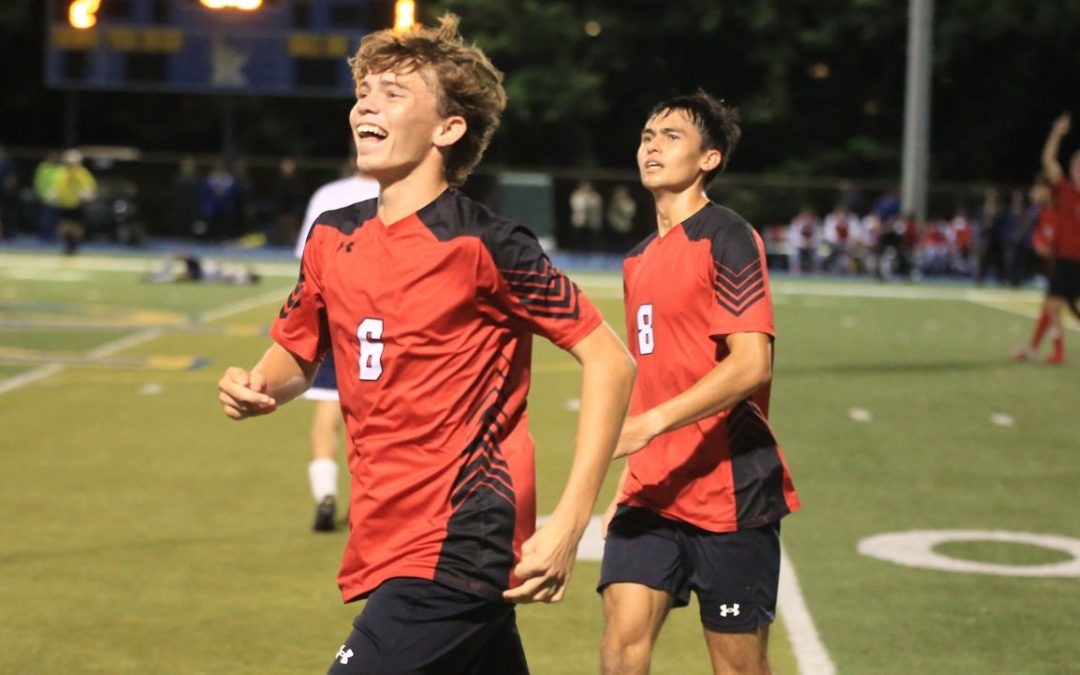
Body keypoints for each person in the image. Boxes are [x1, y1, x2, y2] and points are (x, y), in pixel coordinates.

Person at [216, 14, 634, 674]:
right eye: (364, 92)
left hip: (463, 533)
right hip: (386, 530)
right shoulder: (331, 235)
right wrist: (260, 383)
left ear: (448, 128)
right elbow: (299, 349)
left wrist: (570, 520)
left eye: (393, 93)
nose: (367, 106)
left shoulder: (487, 244)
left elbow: (610, 358)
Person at [598, 91, 800, 675]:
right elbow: (653, 378)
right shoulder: (637, 259)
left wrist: (649, 426)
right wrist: (626, 483)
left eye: (671, 136)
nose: (651, 146)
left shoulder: (728, 237)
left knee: (736, 666)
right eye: (646, 136)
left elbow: (749, 365)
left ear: (708, 159)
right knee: (620, 647)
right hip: (652, 490)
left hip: (729, 490)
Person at [294, 162, 379, 532]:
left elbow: (307, 260)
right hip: (381, 320)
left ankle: (326, 495)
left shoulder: (327, 195)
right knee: (375, 422)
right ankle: (368, 506)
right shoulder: (398, 193)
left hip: (335, 315)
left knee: (325, 418)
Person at [1014, 113, 1080, 364]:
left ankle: (1041, 349)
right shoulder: (1065, 191)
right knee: (1052, 306)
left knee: (1056, 306)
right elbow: (1048, 159)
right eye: (1077, 166)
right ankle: (1056, 351)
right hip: (1065, 261)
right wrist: (1057, 133)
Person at [48, 149, 97, 254]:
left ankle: (74, 246)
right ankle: (68, 245)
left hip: (77, 204)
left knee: (76, 228)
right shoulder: (60, 173)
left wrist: (87, 194)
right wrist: (53, 195)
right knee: (64, 227)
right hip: (64, 204)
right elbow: (56, 187)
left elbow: (89, 187)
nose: (69, 164)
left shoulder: (82, 173)